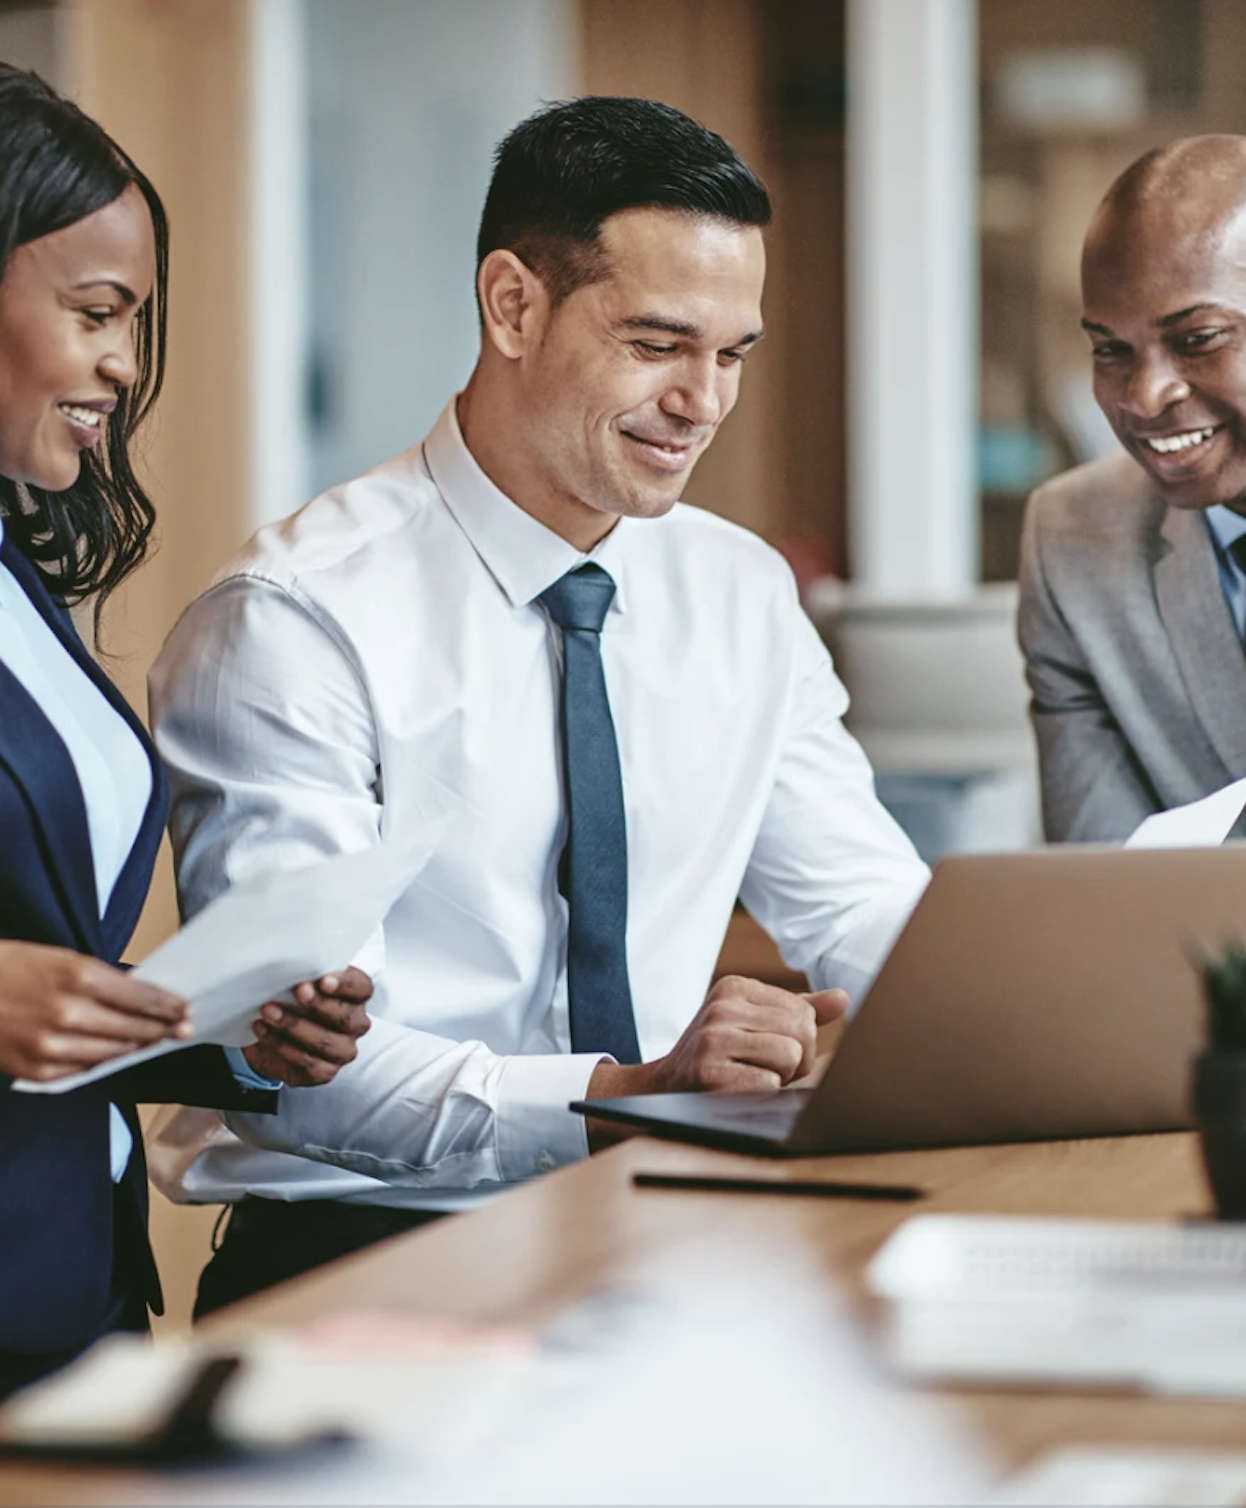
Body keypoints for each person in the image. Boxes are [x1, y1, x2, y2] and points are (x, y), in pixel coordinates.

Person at [148, 96, 930, 1316]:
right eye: (658, 342)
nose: (703, 400)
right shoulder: (295, 617)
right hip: (363, 1262)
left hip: (667, 1238)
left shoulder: (739, 591)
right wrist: (628, 1093)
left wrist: (1019, 1026)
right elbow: (300, 1072)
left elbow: (862, 904)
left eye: (732, 354)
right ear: (512, 305)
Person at [0, 65, 373, 1398]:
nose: (123, 362)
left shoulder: (16, 572)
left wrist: (221, 1030)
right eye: (97, 311)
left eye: (135, 321)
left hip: (73, 1278)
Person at [1020, 135, 1246, 842]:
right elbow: (1102, 874)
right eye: (1110, 350)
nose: (1144, 398)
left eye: (1198, 338)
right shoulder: (1072, 540)